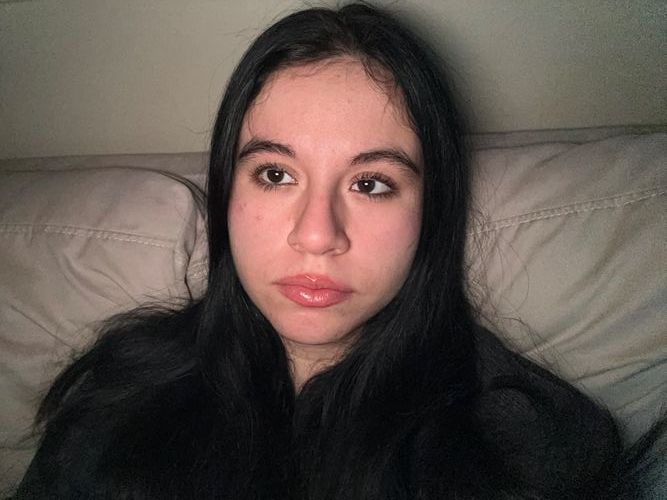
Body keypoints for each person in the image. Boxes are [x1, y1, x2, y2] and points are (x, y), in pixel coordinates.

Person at [13, 4, 663, 499]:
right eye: (275, 174)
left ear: (431, 213)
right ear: (227, 191)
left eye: (370, 183)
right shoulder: (116, 395)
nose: (318, 234)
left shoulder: (525, 443)